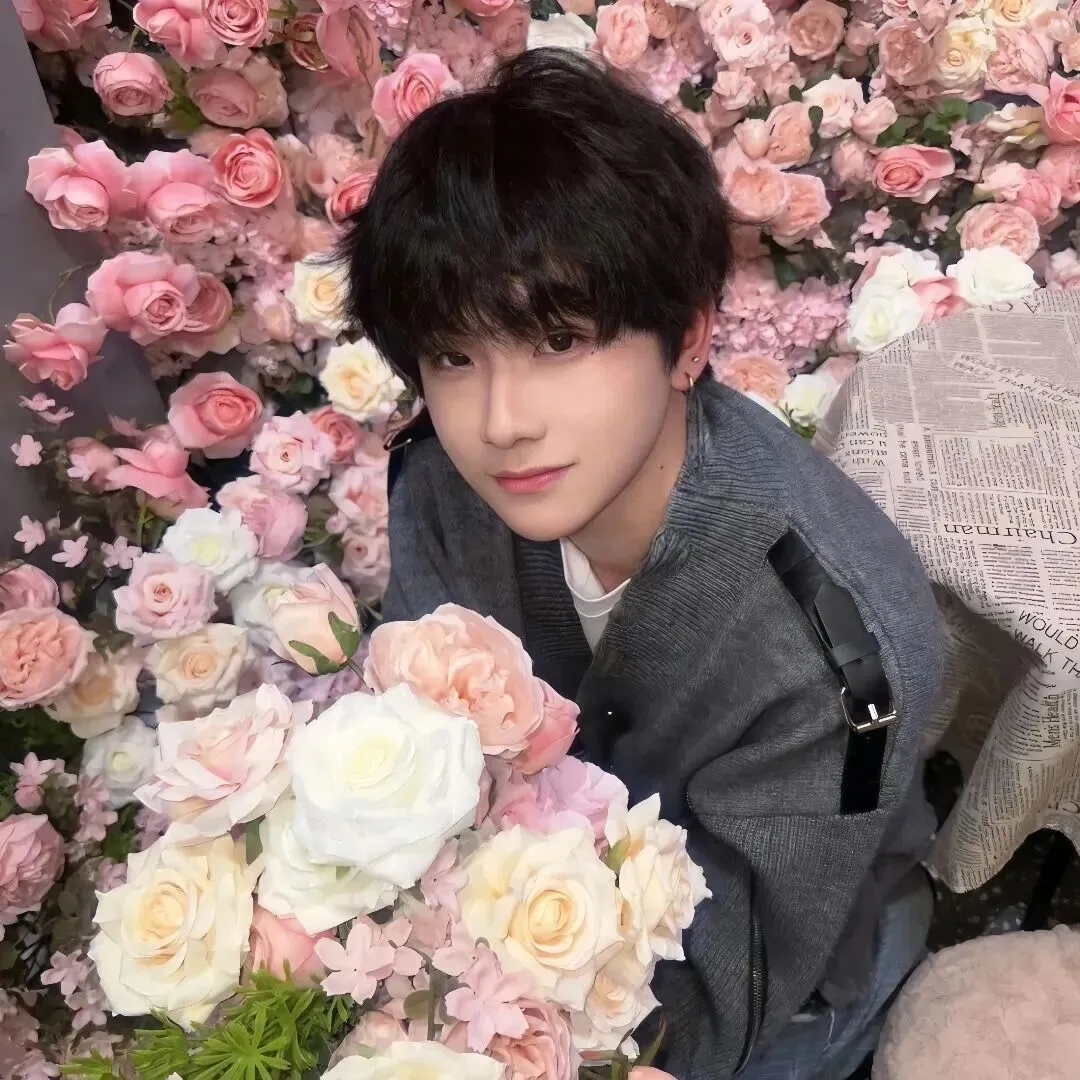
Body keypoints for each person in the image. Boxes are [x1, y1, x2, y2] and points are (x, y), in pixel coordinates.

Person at [339, 47, 945, 1080]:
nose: (502, 422)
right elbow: (414, 752)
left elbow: (723, 1000)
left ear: (688, 339)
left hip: (780, 978)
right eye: (453, 356)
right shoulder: (441, 483)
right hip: (504, 944)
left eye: (560, 340)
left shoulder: (836, 654)